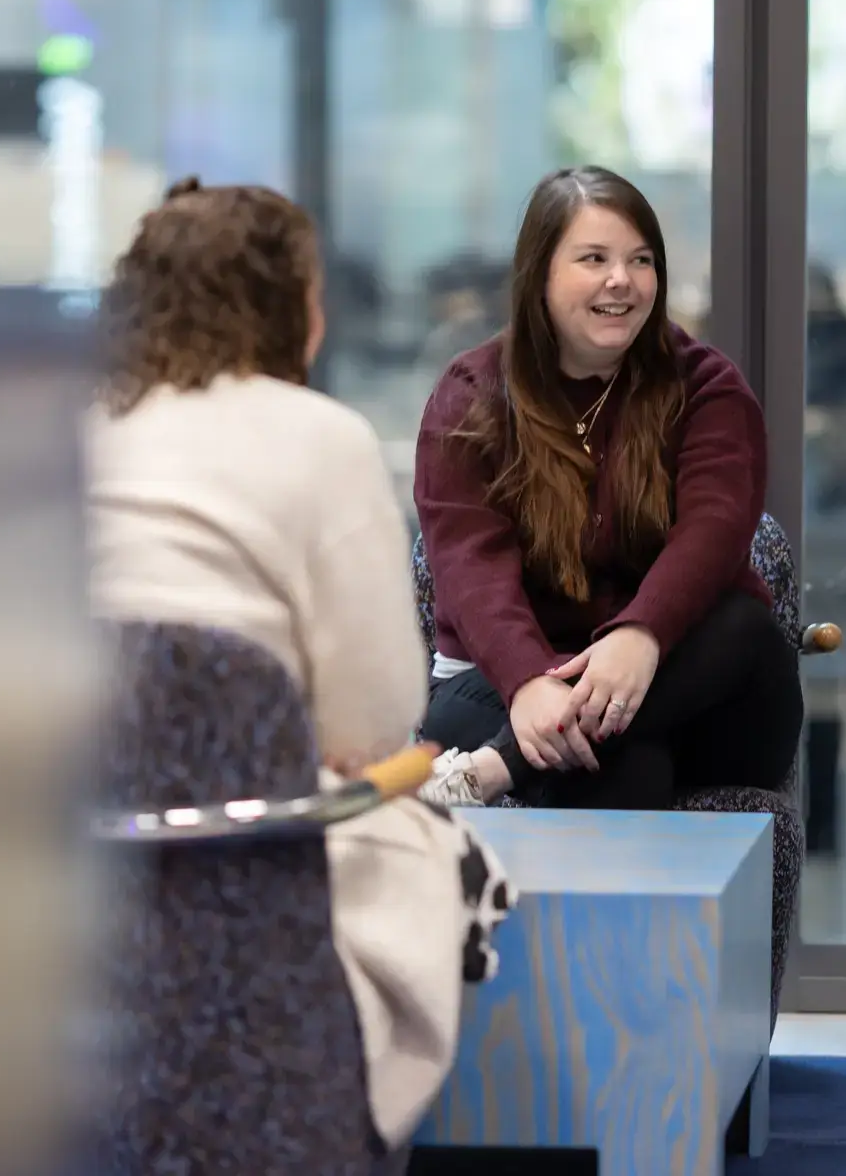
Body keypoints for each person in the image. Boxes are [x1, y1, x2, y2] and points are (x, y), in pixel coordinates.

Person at [84, 178, 514, 1159]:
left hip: (66, 880)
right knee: (417, 848)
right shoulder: (318, 437)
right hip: (258, 861)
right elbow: (379, 720)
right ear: (291, 306)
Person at [414, 165, 803, 811]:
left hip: (692, 684)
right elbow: (468, 564)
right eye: (593, 258)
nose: (621, 280)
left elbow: (716, 529)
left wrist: (640, 636)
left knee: (745, 627)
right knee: (625, 766)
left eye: (640, 260)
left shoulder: (707, 387)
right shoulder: (474, 394)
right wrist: (528, 682)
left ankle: (487, 771)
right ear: (540, 273)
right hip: (501, 681)